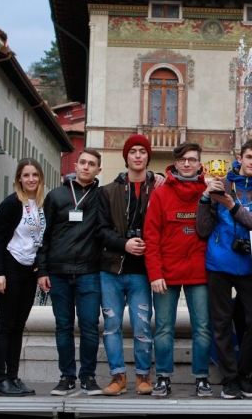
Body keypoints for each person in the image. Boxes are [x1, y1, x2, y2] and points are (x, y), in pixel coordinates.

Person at [196, 139, 252, 399]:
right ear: (239, 158)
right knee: (221, 323)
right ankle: (229, 380)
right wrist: (206, 198)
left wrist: (234, 207)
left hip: (251, 265)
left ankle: (244, 375)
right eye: (248, 157)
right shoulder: (221, 184)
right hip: (218, 262)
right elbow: (203, 229)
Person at [144, 142, 212, 397]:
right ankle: (163, 377)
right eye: (182, 159)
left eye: (192, 159)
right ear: (175, 162)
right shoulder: (160, 194)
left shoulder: (209, 190)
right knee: (163, 327)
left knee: (203, 327)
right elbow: (151, 237)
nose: (187, 164)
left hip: (199, 271)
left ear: (199, 163)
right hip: (166, 273)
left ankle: (202, 377)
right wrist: (155, 273)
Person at [37, 149, 104, 396]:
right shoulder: (56, 196)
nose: (86, 167)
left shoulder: (102, 196)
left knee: (89, 326)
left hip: (89, 272)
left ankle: (87, 377)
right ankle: (66, 377)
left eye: (92, 164)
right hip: (58, 272)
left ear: (98, 169)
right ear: (76, 165)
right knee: (63, 326)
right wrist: (42, 269)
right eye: (83, 162)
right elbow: (44, 236)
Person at [97, 135, 158, 396]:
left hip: (143, 270)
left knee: (142, 326)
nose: (137, 156)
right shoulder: (107, 191)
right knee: (111, 326)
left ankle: (143, 376)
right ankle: (118, 377)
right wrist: (124, 244)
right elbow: (100, 231)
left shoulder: (158, 188)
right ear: (126, 156)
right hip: (111, 268)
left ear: (147, 157)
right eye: (132, 151)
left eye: (142, 151)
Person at [0, 158, 46, 396]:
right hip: (9, 267)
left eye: (34, 175)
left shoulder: (41, 204)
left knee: (18, 328)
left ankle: (13, 378)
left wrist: (39, 266)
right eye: (26, 175)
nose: (31, 179)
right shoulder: (11, 203)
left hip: (28, 271)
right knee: (5, 326)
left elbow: (39, 239)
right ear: (19, 178)